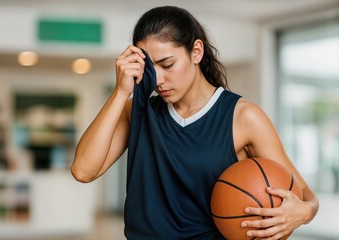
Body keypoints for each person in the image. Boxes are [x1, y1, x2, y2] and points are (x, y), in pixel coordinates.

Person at [71, 5, 319, 240]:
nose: (158, 79)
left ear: (196, 52)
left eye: (167, 64)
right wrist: (120, 92)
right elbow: (83, 170)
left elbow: (306, 195)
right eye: (149, 68)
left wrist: (304, 212)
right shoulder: (137, 109)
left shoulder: (243, 117)